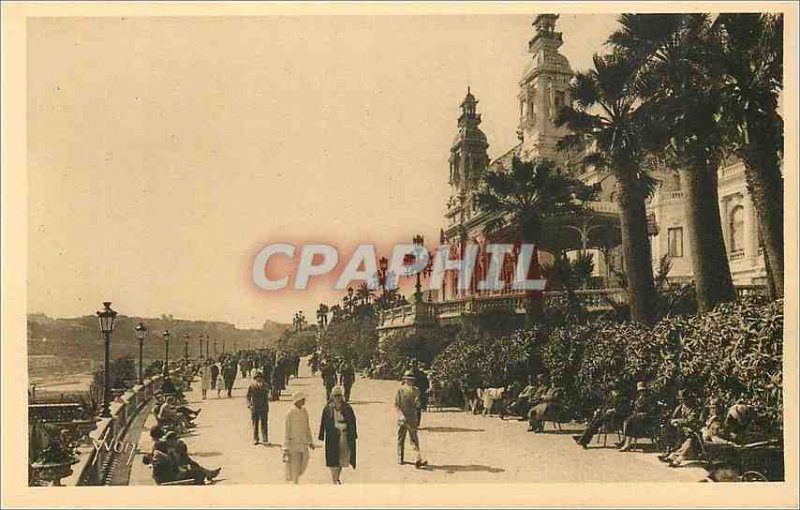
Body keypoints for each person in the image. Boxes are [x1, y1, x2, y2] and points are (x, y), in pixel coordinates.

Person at [146, 428, 221, 485]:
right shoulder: (169, 451)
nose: (177, 442)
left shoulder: (159, 450)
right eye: (175, 440)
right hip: (169, 477)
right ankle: (208, 474)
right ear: (171, 440)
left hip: (161, 477)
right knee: (197, 472)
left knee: (193, 467)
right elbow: (177, 464)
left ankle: (209, 473)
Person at [318, 386, 357, 484]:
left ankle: (337, 478)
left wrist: (353, 435)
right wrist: (321, 435)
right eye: (335, 396)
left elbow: (352, 422)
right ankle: (334, 479)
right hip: (332, 437)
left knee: (341, 459)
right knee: (332, 459)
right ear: (332, 396)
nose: (337, 398)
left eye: (339, 395)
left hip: (344, 436)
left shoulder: (347, 408)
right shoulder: (328, 408)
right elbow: (323, 422)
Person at [395, 370, 427, 468]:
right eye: (408, 380)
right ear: (404, 380)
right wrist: (401, 415)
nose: (410, 381)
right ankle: (400, 457)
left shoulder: (416, 390)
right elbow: (396, 404)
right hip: (402, 417)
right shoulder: (400, 390)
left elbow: (418, 403)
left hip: (412, 417)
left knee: (414, 438)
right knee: (401, 437)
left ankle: (418, 459)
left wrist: (418, 403)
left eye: (412, 380)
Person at [283, 391, 315, 484]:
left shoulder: (305, 411)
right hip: (293, 444)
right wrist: (286, 448)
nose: (304, 401)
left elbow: (307, 427)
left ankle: (295, 476)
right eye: (302, 399)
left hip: (304, 443)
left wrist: (310, 442)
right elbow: (286, 430)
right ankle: (295, 482)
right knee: (295, 466)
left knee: (305, 461)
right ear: (297, 401)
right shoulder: (290, 413)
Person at [618, 381, 657, 452]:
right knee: (626, 420)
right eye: (640, 391)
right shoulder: (639, 398)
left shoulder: (649, 399)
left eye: (643, 390)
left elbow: (652, 410)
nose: (641, 392)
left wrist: (643, 413)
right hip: (638, 416)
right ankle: (626, 441)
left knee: (629, 421)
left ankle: (627, 444)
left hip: (646, 417)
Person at [246, 372, 271, 445]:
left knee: (264, 423)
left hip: (264, 407)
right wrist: (249, 405)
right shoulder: (252, 386)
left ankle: (265, 439)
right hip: (255, 407)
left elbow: (269, 395)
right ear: (255, 379)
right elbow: (248, 396)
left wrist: (269, 393)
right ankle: (255, 439)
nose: (259, 379)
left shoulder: (266, 385)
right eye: (257, 378)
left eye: (260, 378)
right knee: (255, 423)